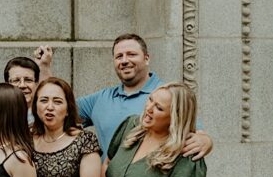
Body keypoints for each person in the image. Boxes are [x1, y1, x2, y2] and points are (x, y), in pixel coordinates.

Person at [40, 34, 212, 159]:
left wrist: (205, 141)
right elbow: (55, 109)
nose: (124, 60)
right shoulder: (100, 99)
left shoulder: (168, 95)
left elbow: (197, 133)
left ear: (146, 58)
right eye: (118, 56)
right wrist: (45, 68)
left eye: (131, 54)